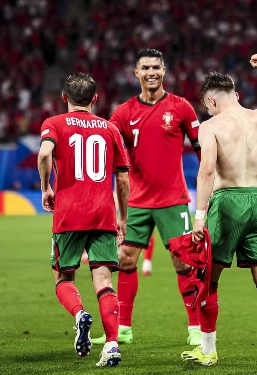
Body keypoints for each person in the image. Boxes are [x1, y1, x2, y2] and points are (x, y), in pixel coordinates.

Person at [181, 53, 257, 370]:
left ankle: (208, 350)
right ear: (237, 95)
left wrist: (199, 217)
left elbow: (205, 173)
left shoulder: (211, 125)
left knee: (208, 279)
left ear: (211, 102)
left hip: (227, 202)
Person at [92, 49, 202, 346]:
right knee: (126, 260)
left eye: (156, 67)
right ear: (136, 73)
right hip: (138, 202)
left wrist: (210, 186)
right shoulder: (124, 112)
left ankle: (195, 328)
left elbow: (203, 148)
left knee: (183, 263)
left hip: (173, 199)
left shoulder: (181, 108)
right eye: (145, 67)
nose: (151, 71)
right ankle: (123, 329)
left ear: (164, 70)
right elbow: (108, 152)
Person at [37, 72, 130, 367]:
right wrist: (123, 217)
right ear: (94, 99)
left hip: (69, 213)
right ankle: (112, 344)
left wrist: (46, 187)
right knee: (104, 281)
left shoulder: (54, 124)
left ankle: (79, 314)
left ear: (64, 98)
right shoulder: (110, 128)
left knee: (63, 276)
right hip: (103, 214)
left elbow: (43, 155)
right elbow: (123, 179)